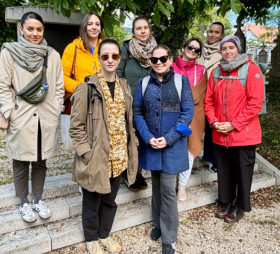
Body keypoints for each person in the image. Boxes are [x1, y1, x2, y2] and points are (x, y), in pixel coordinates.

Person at [70, 39, 139, 254]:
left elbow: (129, 121)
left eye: (115, 56)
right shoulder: (86, 88)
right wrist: (86, 154)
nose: (110, 60)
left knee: (110, 201)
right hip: (96, 157)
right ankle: (91, 239)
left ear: (119, 58)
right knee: (92, 201)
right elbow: (76, 127)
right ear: (99, 58)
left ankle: (104, 235)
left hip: (119, 156)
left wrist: (132, 145)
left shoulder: (124, 86)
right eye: (105, 56)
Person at [0, 12, 64, 222]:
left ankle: (38, 199)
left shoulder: (52, 55)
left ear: (43, 30)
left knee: (41, 160)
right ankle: (24, 202)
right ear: (21, 29)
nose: (35, 33)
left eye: (39, 29)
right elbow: (2, 86)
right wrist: (10, 111)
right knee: (21, 160)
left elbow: (59, 87)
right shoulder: (10, 52)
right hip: (21, 115)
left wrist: (56, 108)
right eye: (30, 29)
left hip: (46, 115)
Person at [133, 45, 194, 254]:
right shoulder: (143, 84)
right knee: (157, 187)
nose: (159, 62)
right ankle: (158, 224)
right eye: (154, 59)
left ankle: (169, 237)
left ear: (170, 59)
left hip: (172, 146)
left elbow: (187, 114)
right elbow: (137, 113)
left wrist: (167, 139)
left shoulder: (181, 82)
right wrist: (149, 138)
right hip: (151, 146)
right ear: (150, 61)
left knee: (168, 190)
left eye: (163, 58)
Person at [204, 35, 264, 223]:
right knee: (225, 170)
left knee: (242, 172)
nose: (228, 51)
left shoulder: (251, 70)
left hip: (243, 134)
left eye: (231, 47)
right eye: (224, 48)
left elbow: (255, 104)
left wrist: (233, 124)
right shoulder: (216, 72)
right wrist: (214, 122)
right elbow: (209, 102)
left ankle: (240, 206)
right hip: (221, 133)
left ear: (238, 49)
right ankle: (227, 202)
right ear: (220, 51)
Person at [116, 16, 157, 192]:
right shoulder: (125, 48)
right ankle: (127, 174)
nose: (142, 31)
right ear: (133, 32)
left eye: (145, 27)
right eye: (138, 28)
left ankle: (138, 172)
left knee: (142, 138)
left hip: (149, 103)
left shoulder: (156, 51)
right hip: (129, 101)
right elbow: (117, 71)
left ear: (149, 30)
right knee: (128, 138)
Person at [171, 38, 206, 201]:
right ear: (183, 47)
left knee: (190, 149)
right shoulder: (170, 66)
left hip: (193, 114)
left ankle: (182, 185)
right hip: (171, 112)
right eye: (190, 47)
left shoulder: (201, 70)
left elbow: (202, 94)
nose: (192, 50)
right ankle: (170, 182)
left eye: (197, 49)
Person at [197, 22, 225, 173]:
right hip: (197, 94)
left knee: (212, 127)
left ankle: (212, 159)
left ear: (222, 35)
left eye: (216, 32)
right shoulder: (199, 50)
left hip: (214, 96)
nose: (213, 35)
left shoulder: (224, 52)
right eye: (211, 32)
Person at [62, 11, 104, 93]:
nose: (94, 27)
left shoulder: (106, 48)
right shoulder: (72, 48)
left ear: (100, 28)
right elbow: (62, 76)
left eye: (97, 24)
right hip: (81, 97)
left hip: (102, 98)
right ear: (84, 27)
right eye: (90, 24)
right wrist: (78, 88)